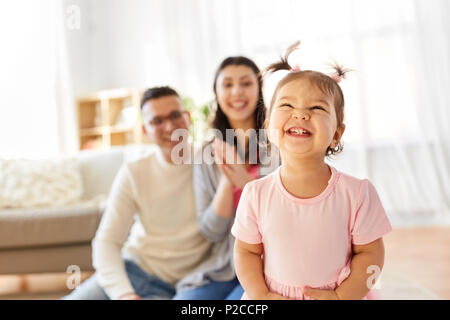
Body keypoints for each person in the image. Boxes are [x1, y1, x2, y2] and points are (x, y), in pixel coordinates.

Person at [231, 42, 392, 300]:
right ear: (270, 126)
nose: (301, 114)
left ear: (337, 133)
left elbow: (371, 254)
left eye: (316, 108)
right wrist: (260, 295)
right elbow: (246, 252)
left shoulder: (357, 193)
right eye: (287, 106)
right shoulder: (256, 194)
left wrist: (343, 296)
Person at [64, 86, 217, 300]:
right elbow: (107, 241)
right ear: (145, 130)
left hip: (181, 287)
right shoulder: (135, 171)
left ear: (188, 117)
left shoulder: (212, 164)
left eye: (175, 116)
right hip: (131, 273)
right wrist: (124, 294)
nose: (170, 127)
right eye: (157, 121)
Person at [177, 56, 277, 300]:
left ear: (258, 89)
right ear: (216, 93)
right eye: (227, 85)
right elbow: (211, 231)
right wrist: (227, 180)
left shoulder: (278, 145)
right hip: (224, 267)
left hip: (271, 266)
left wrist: (246, 183)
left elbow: (286, 220)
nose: (237, 92)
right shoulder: (206, 155)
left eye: (245, 83)